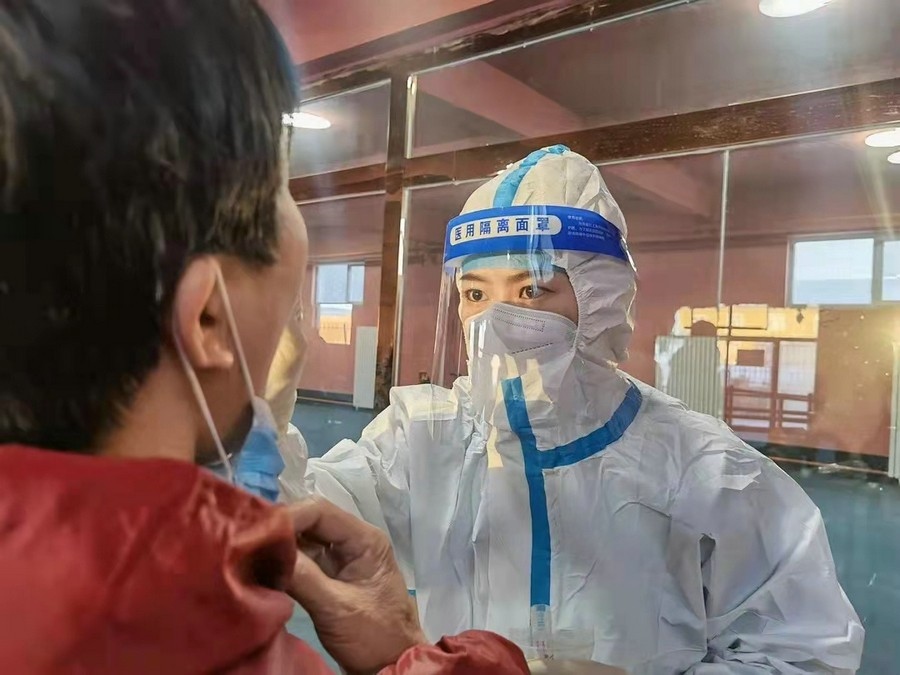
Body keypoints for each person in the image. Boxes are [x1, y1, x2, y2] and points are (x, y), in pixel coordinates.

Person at [0, 1, 530, 673]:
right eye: (282, 190)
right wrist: (423, 658)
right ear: (206, 319)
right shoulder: (214, 642)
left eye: (532, 289)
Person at [302, 146, 865, 672]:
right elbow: (294, 518)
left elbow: (802, 653)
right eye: (475, 294)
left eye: (531, 291)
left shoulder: (703, 468)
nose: (495, 322)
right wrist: (263, 416)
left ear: (600, 300)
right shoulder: (422, 437)